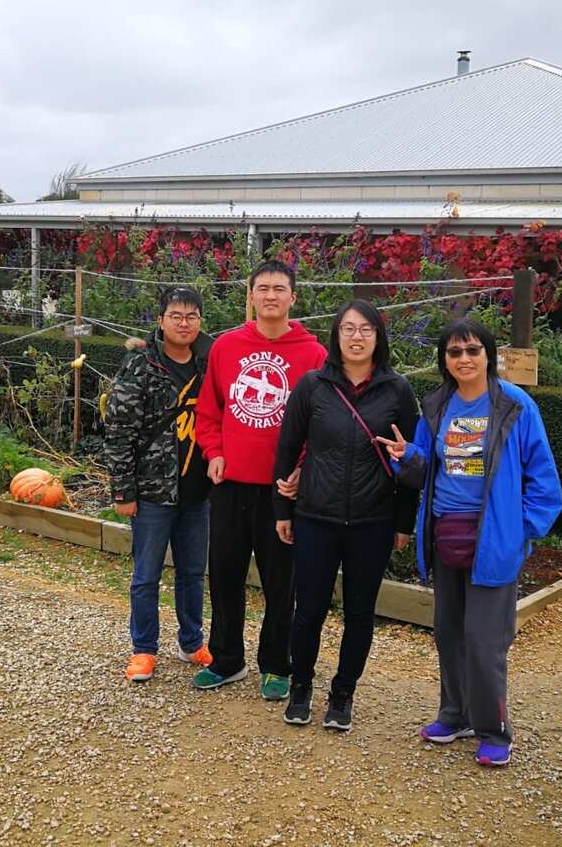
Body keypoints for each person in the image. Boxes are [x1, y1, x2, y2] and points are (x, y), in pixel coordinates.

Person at [378, 318, 562, 766]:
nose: (464, 359)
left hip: (492, 540)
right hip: (445, 535)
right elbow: (425, 468)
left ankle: (494, 729)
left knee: (484, 640)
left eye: (473, 350)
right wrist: (409, 457)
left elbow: (544, 482)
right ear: (444, 359)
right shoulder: (437, 404)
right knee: (448, 633)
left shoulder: (514, 406)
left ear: (489, 355)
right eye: (454, 352)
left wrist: (521, 531)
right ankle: (454, 713)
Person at [271, 300, 420, 731]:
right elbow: (287, 448)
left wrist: (402, 522)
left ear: (378, 337)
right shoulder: (313, 385)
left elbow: (410, 461)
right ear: (336, 335)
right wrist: (284, 507)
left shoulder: (397, 390)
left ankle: (343, 693)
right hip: (316, 516)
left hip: (372, 522)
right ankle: (301, 686)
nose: (357, 337)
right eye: (348, 329)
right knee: (308, 610)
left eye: (366, 329)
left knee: (359, 613)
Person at [193, 260, 328, 697]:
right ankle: (227, 658)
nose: (270, 296)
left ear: (293, 297)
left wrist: (302, 469)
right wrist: (212, 452)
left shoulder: (314, 354)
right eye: (262, 288)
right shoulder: (226, 347)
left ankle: (276, 664)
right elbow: (209, 410)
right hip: (230, 484)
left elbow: (321, 422)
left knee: (280, 582)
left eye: (279, 288)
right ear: (249, 296)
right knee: (225, 574)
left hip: (283, 490)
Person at [104, 287, 215, 683]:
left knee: (192, 573)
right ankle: (144, 649)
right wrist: (123, 491)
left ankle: (191, 641)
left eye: (191, 316)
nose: (183, 323)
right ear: (161, 320)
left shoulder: (208, 363)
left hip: (197, 490)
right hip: (152, 491)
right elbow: (118, 431)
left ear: (200, 320)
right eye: (176, 315)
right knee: (146, 575)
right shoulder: (140, 365)